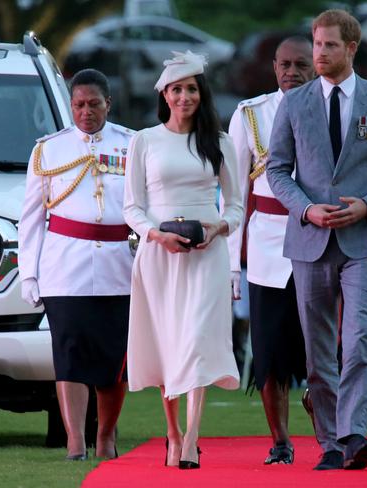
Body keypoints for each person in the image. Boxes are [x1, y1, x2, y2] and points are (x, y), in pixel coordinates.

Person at [267, 10, 367, 470]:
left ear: (352, 48)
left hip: (364, 241)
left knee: (361, 337)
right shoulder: (294, 102)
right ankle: (329, 442)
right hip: (308, 241)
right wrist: (306, 208)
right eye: (316, 44)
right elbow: (277, 170)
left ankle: (353, 435)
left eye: (328, 45)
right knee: (318, 351)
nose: (318, 53)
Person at [123, 51, 243, 469]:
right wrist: (157, 235)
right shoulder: (144, 141)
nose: (185, 96)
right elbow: (132, 208)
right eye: (177, 89)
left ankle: (192, 438)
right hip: (159, 256)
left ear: (201, 94)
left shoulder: (220, 142)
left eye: (192, 89)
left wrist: (216, 229)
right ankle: (172, 434)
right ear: (165, 94)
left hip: (207, 254)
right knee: (167, 344)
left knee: (195, 340)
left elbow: (236, 207)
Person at [18, 69, 135, 460]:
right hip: (64, 266)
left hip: (119, 267)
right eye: (79, 105)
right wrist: (30, 274)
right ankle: (74, 441)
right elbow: (32, 217)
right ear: (71, 106)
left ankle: (105, 436)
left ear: (108, 105)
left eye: (93, 104)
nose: (86, 112)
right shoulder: (49, 149)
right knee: (69, 354)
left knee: (113, 359)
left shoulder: (131, 144)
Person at [227, 36, 313, 465]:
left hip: (320, 241)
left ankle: (331, 435)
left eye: (300, 64)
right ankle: (280, 440)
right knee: (269, 351)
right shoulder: (250, 114)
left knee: (323, 347)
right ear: (274, 67)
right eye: (284, 64)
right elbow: (234, 194)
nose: (291, 72)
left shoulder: (331, 107)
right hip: (267, 246)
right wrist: (230, 264)